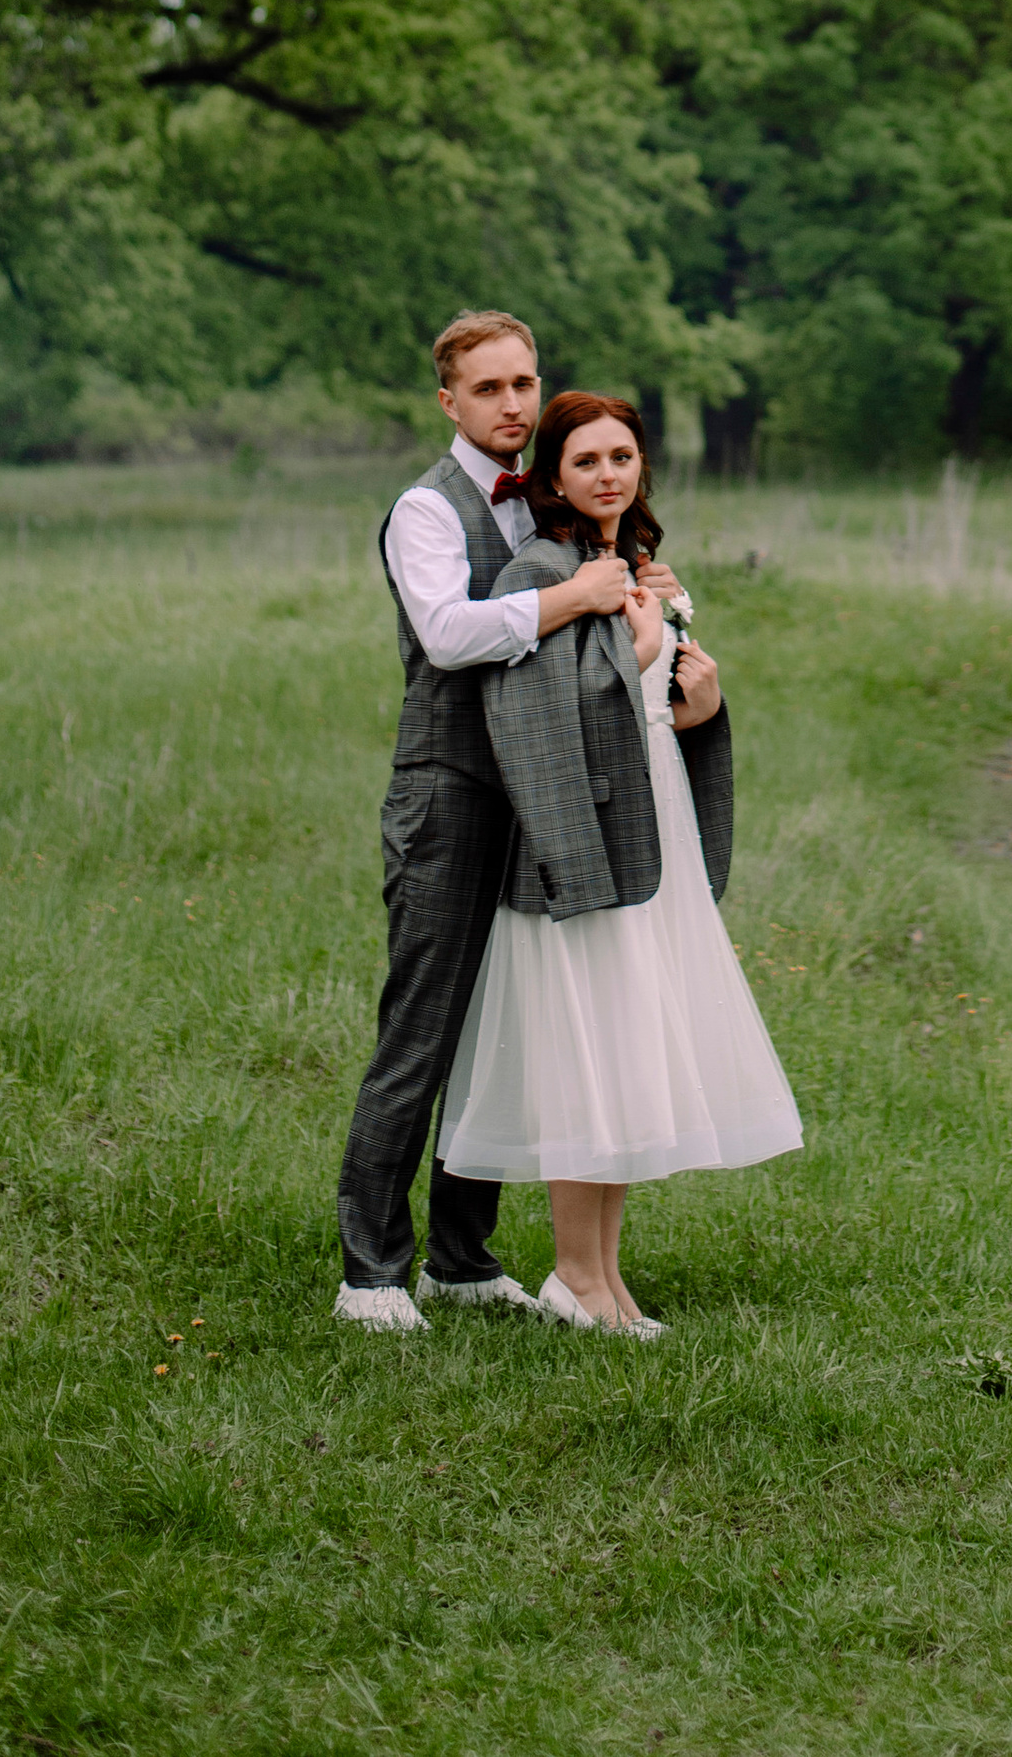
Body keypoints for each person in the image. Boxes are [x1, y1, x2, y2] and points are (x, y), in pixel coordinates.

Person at [331, 310, 691, 1331]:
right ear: (450, 400)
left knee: (506, 1033)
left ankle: (461, 1255)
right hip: (449, 791)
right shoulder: (426, 509)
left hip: (544, 796)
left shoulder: (546, 507)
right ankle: (371, 1274)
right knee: (424, 1030)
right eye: (488, 389)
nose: (512, 405)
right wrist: (571, 599)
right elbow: (447, 635)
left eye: (524, 384)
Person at [438, 389, 802, 1332]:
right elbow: (526, 715)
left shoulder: (636, 566)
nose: (608, 474)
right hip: (579, 841)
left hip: (653, 824)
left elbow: (662, 709)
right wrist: (638, 640)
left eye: (623, 458)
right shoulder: (543, 568)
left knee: (632, 1044)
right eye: (588, 460)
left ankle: (604, 1278)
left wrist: (702, 698)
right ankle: (572, 1273)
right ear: (554, 476)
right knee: (587, 1051)